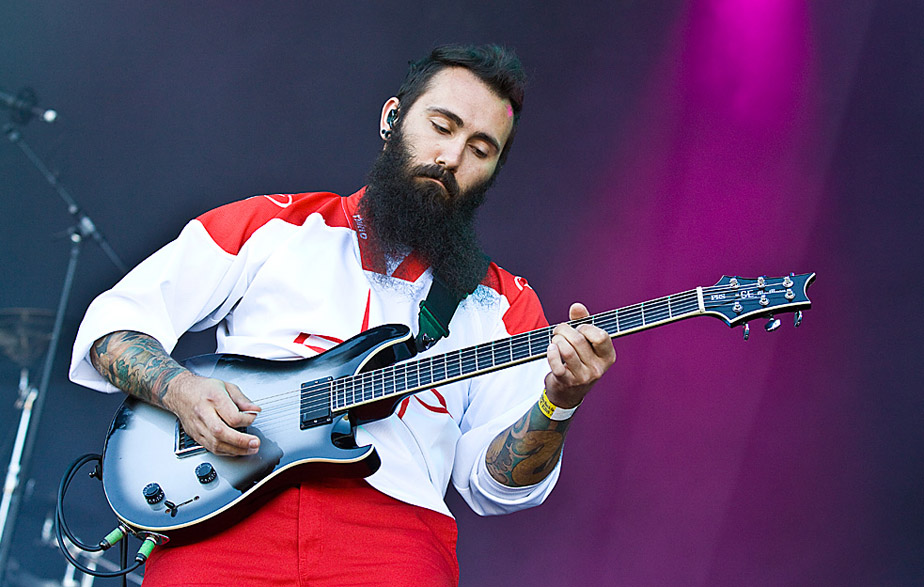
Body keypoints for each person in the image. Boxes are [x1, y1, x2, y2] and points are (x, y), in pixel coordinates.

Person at [69, 44, 616, 586]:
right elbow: (113, 324)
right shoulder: (273, 226)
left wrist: (559, 401)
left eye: (480, 149)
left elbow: (494, 485)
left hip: (396, 544)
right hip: (220, 522)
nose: (452, 158)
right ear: (392, 119)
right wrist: (180, 390)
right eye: (441, 126)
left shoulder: (506, 302)